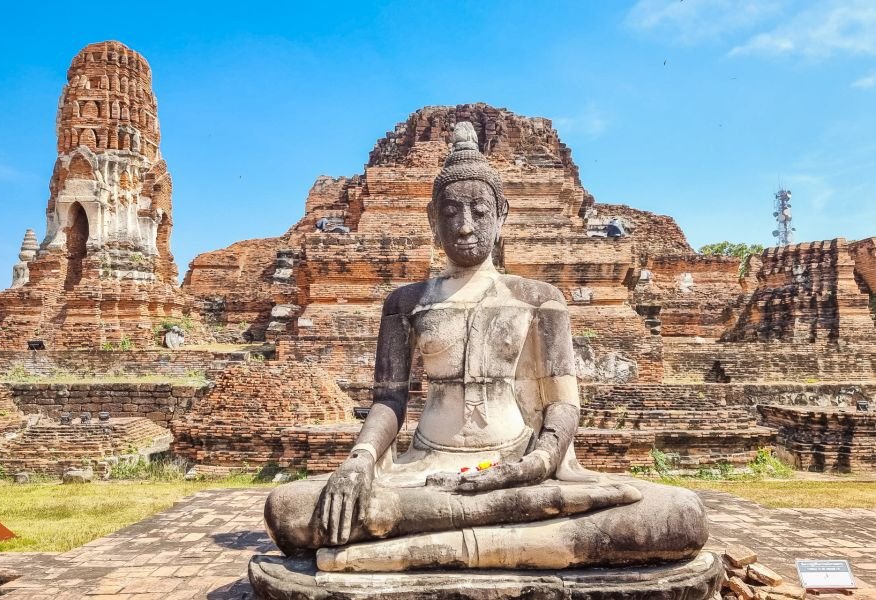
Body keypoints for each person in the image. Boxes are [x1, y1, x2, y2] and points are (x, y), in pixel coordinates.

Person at [263, 122, 707, 573]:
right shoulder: (406, 302)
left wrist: (539, 461)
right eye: (451, 212)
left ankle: (403, 547)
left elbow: (563, 403)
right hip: (425, 467)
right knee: (289, 511)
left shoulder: (539, 298)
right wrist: (359, 461)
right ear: (433, 221)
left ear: (502, 215)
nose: (465, 225)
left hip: (517, 464)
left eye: (478, 209)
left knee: (679, 517)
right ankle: (516, 542)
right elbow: (389, 402)